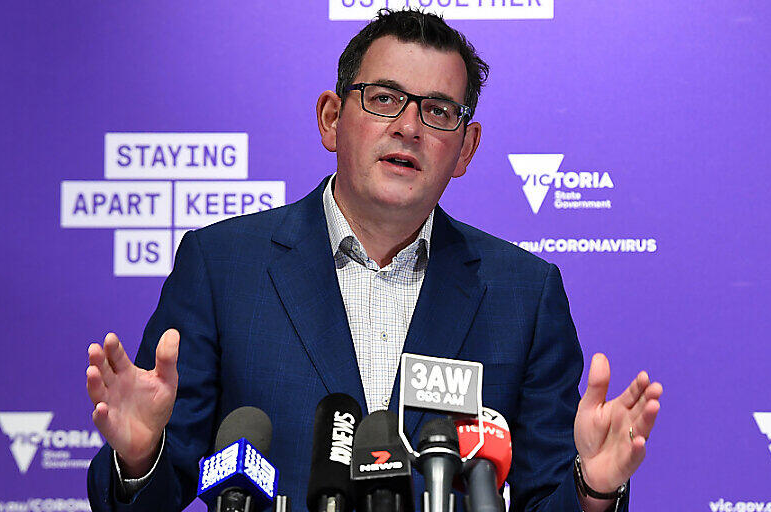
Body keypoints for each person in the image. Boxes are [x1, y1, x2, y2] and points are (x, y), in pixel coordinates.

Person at [86, 9, 662, 512]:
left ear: (465, 148)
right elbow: (150, 497)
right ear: (332, 118)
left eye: (438, 111)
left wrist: (593, 488)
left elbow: (546, 499)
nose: (408, 126)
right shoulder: (221, 267)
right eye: (384, 98)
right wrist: (138, 458)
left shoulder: (524, 295)